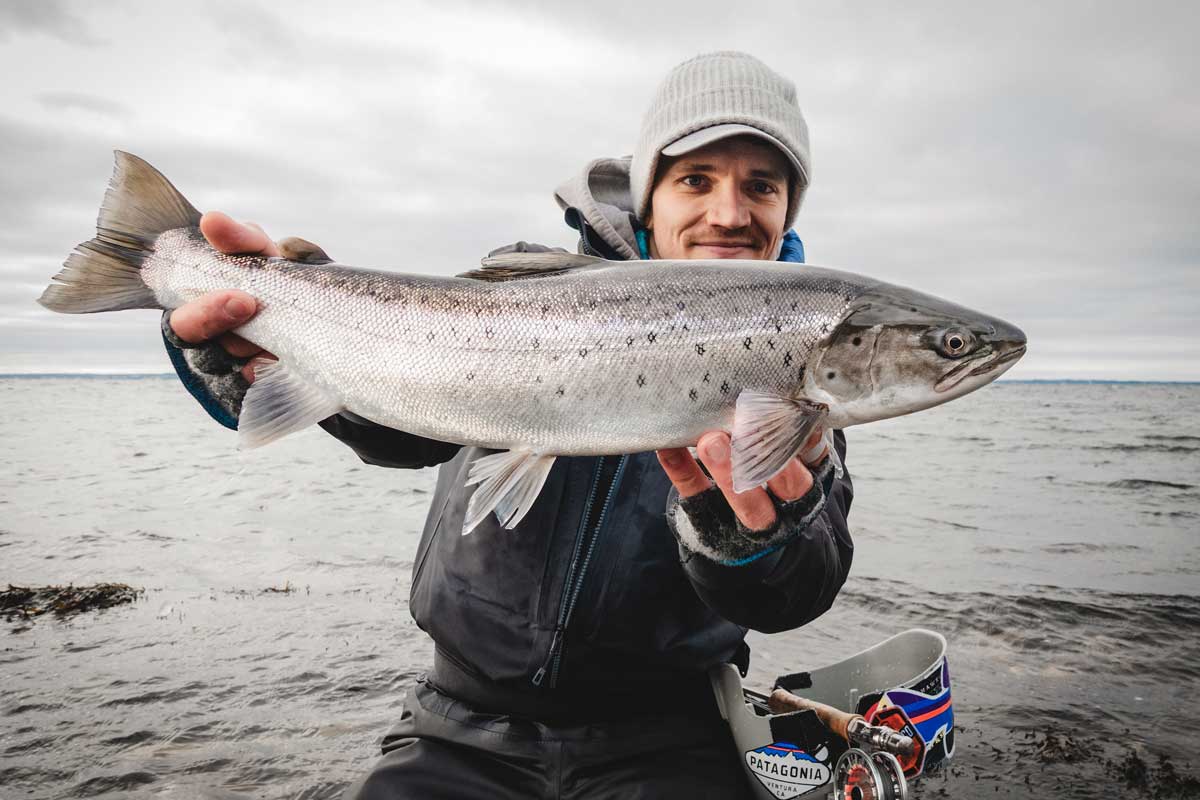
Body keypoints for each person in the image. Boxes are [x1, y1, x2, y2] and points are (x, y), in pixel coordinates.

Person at [163, 51, 854, 799]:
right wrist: (251, 352)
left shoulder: (800, 403)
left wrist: (746, 541)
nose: (728, 212)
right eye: (696, 179)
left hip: (673, 737)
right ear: (650, 196)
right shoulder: (528, 284)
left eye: (762, 186)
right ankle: (154, 256)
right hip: (456, 727)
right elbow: (400, 430)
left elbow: (795, 594)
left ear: (788, 208)